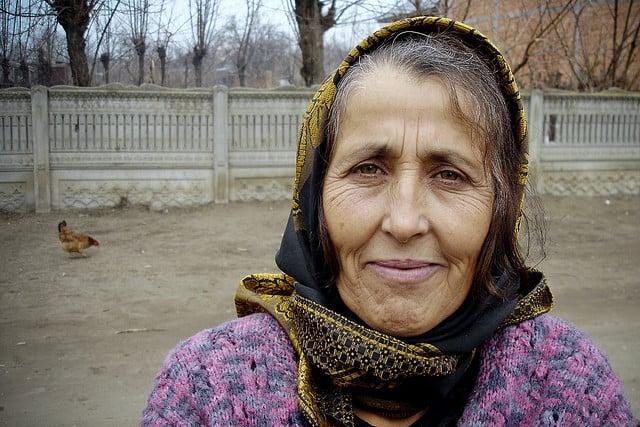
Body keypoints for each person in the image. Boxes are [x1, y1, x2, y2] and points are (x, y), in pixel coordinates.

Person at [141, 16, 635, 426]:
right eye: (368, 169)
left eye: (449, 174)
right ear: (314, 200)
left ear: (502, 207)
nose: (403, 223)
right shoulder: (208, 387)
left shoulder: (568, 386)